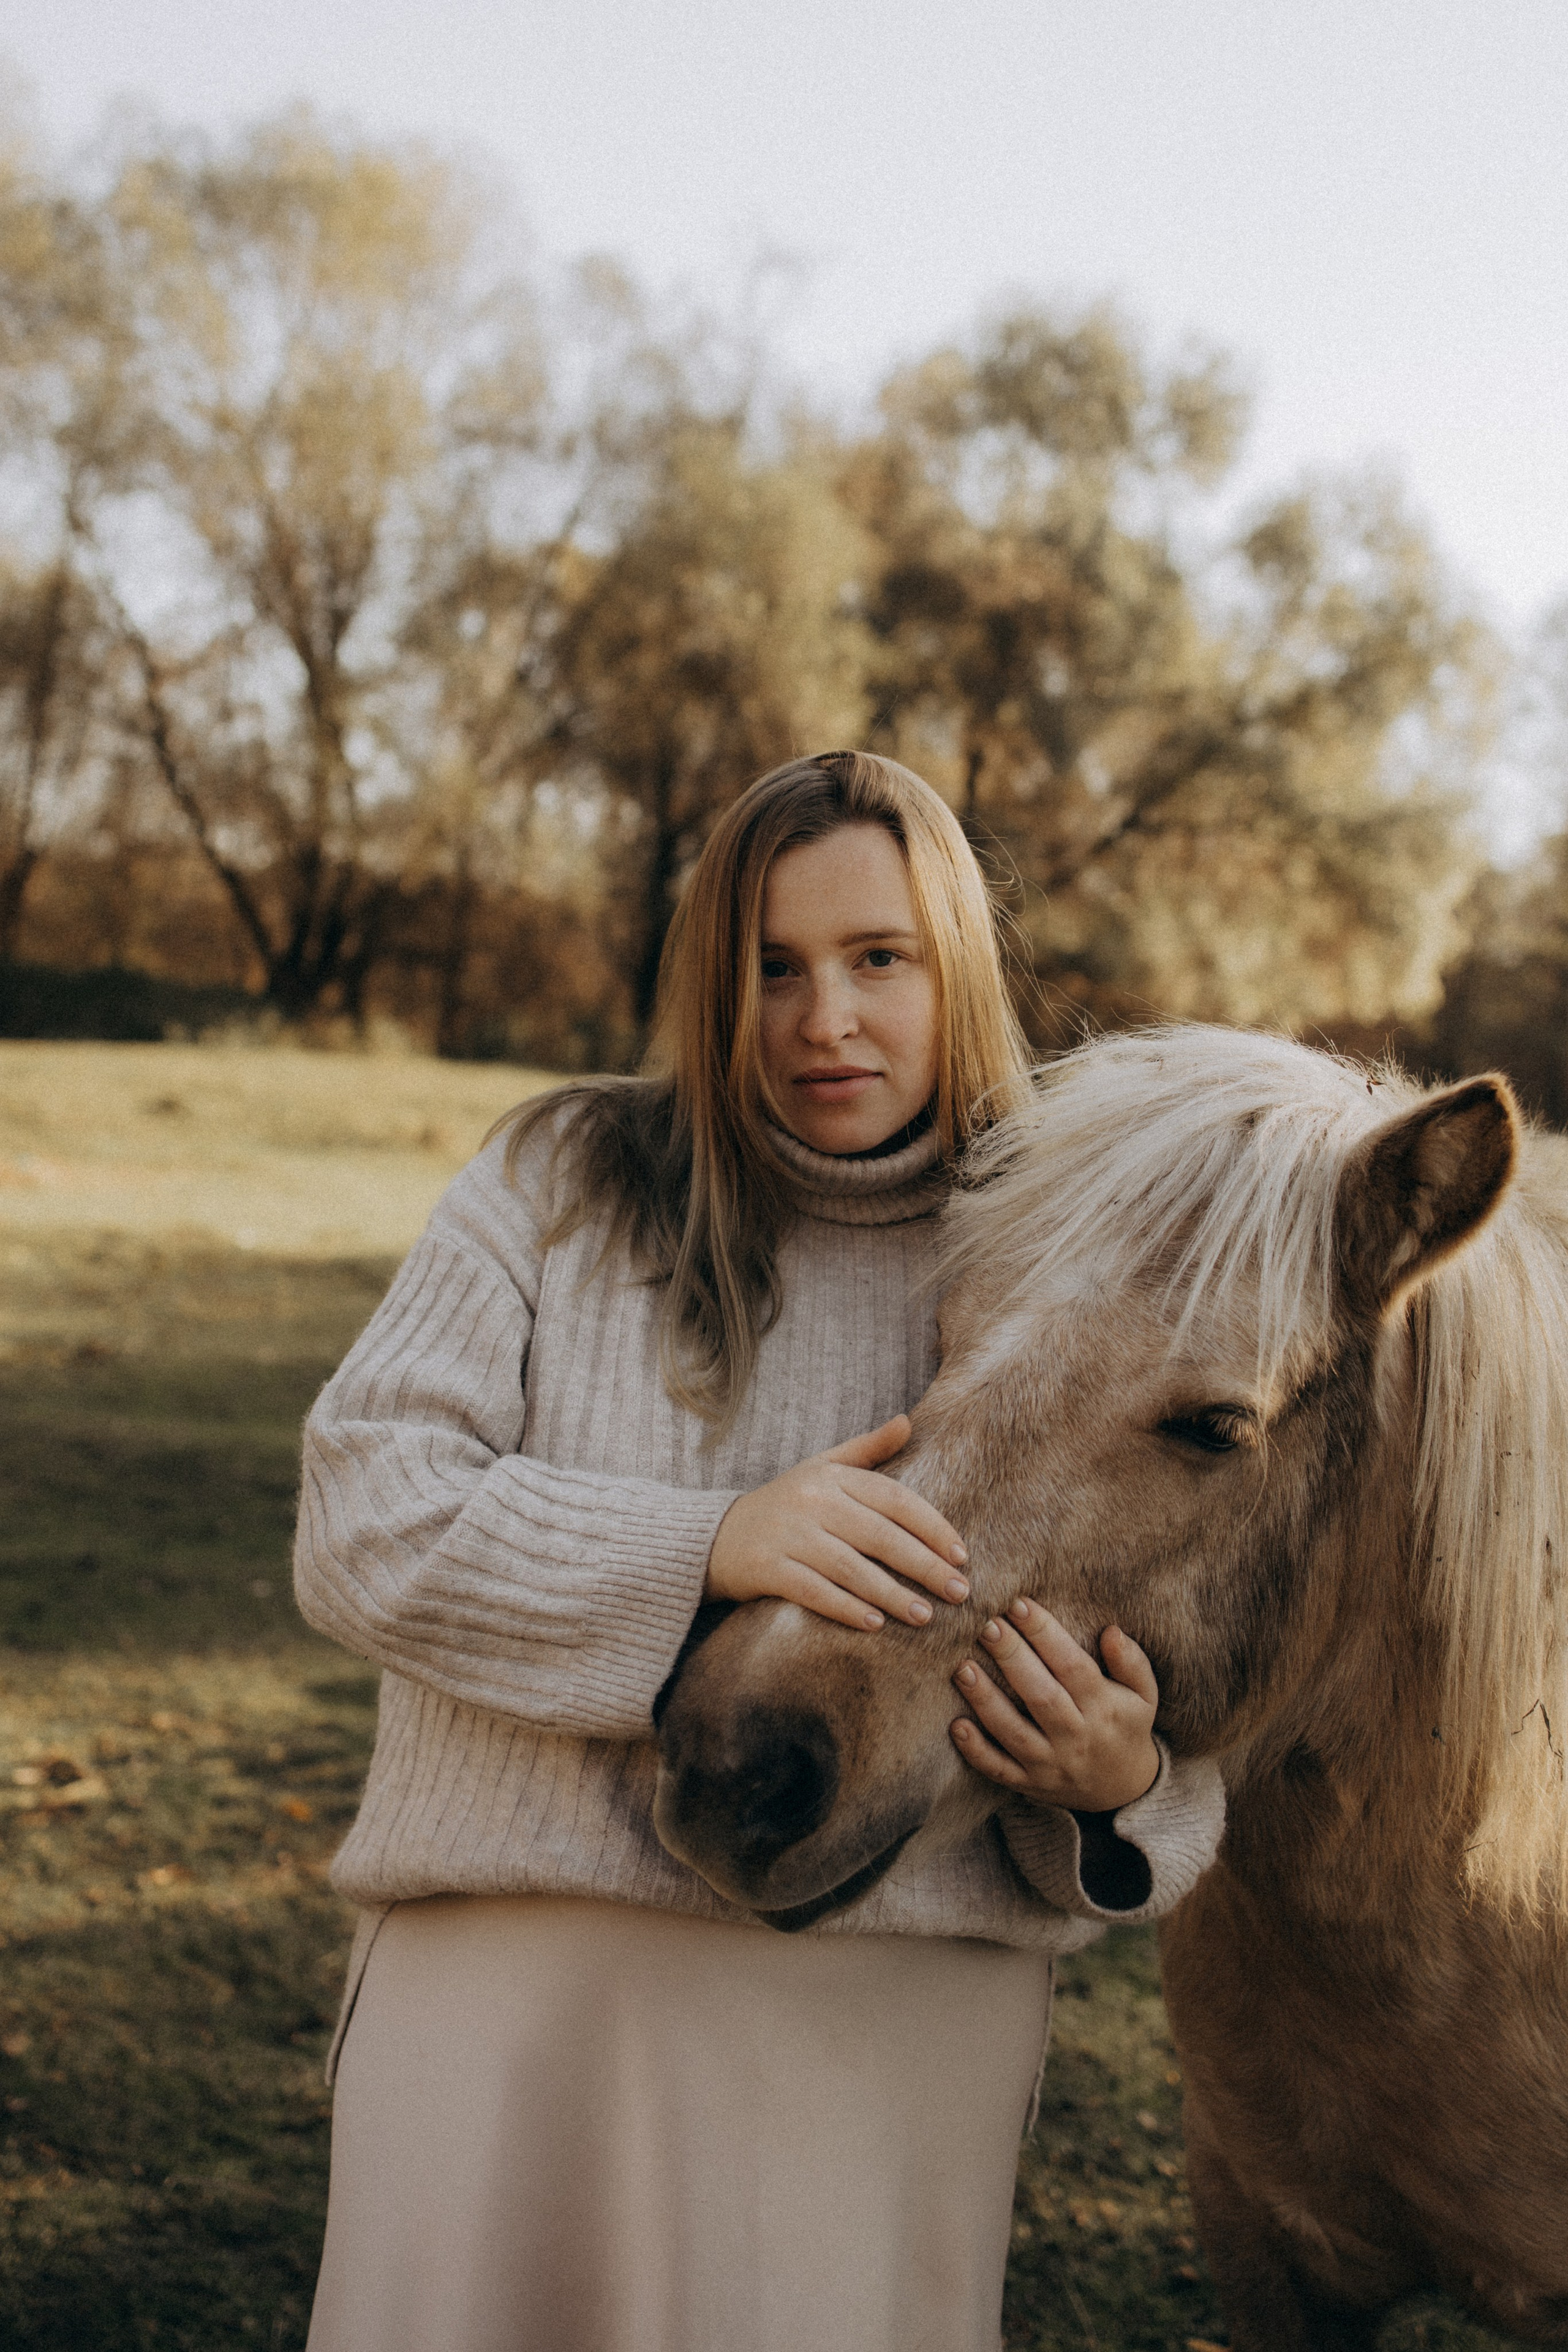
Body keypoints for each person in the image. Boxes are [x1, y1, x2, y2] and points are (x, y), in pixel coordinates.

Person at [295, 750, 1224, 2352]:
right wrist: (716, 1546)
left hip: (889, 2023)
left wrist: (1125, 1785)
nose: (824, 1021)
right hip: (518, 1986)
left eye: (881, 960)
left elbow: (1209, 1659)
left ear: (960, 965)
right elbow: (362, 1516)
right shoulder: (560, 1176)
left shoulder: (1083, 1257)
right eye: (772, 968)